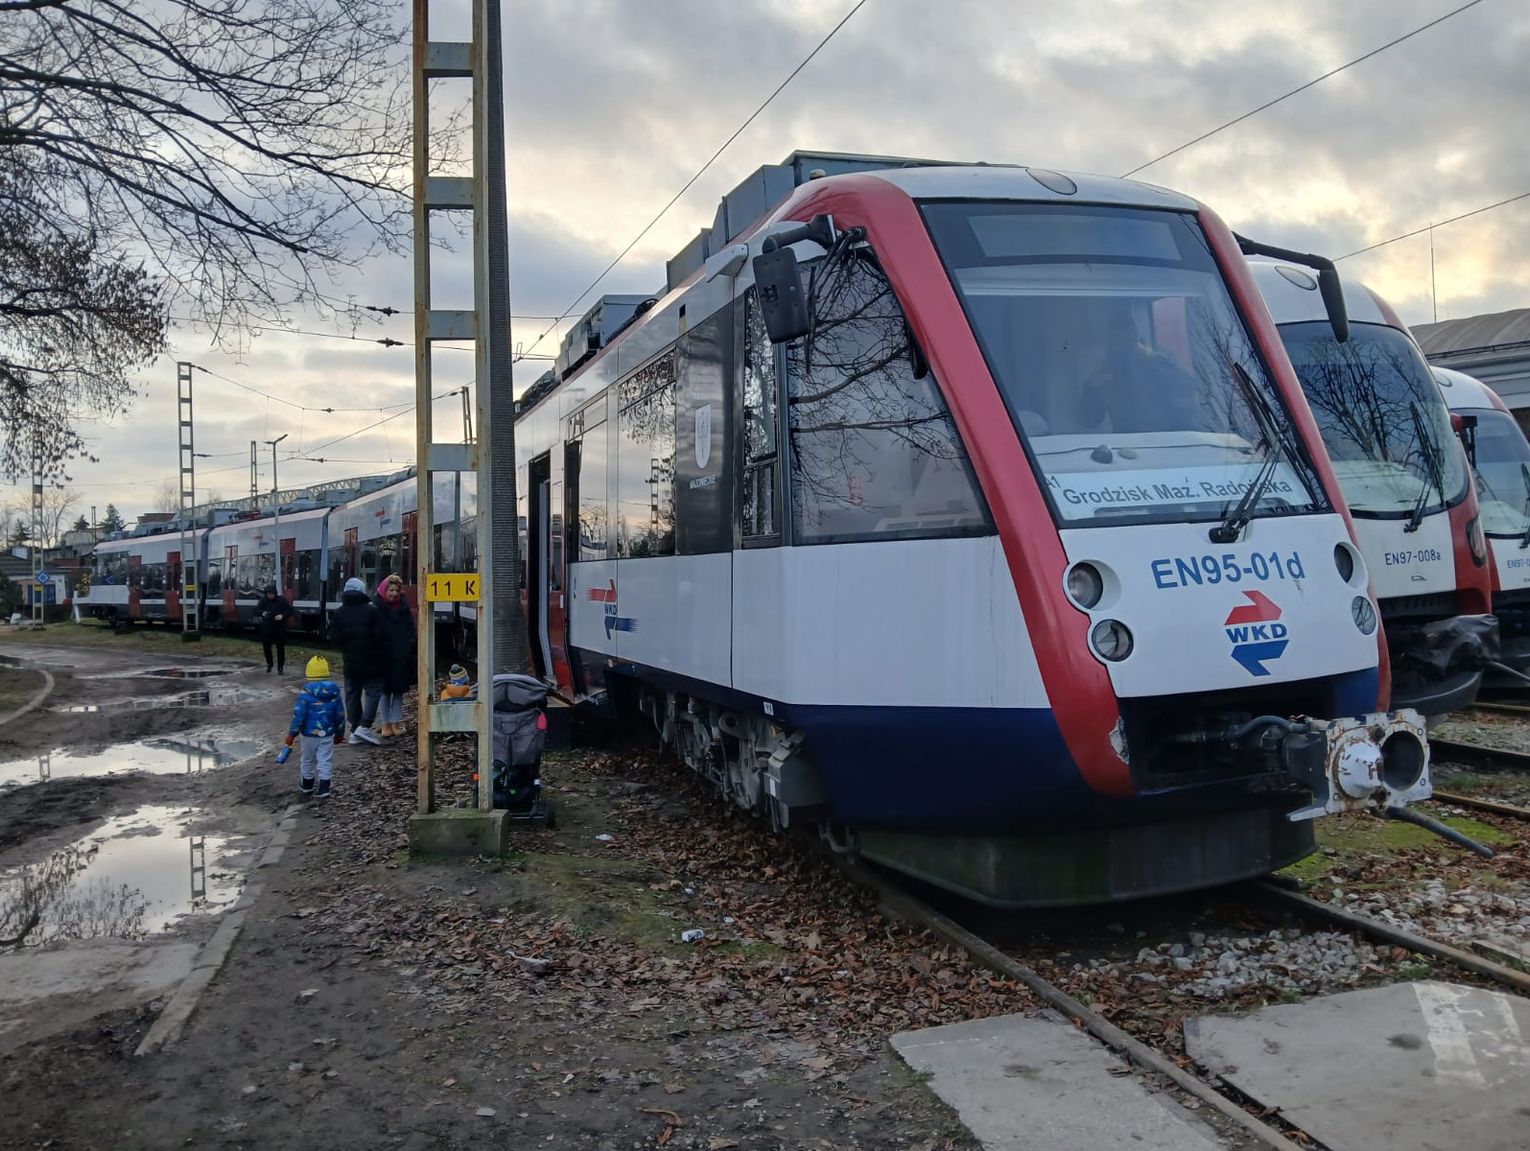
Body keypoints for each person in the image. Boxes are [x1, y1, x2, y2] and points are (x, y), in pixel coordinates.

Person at [328, 576, 384, 745]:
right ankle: (365, 726)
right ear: (362, 591)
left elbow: (334, 639)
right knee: (374, 691)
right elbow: (380, 636)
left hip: (350, 661)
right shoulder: (372, 610)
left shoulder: (338, 612)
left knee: (352, 694)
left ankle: (354, 729)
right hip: (371, 660)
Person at [285, 655, 345, 797]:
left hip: (308, 735)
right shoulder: (335, 693)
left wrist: (291, 734)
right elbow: (340, 715)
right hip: (327, 734)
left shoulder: (304, 694)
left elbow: (298, 716)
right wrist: (340, 733)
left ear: (308, 674)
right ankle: (324, 788)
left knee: (307, 759)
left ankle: (307, 785)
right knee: (325, 760)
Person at [373, 572, 416, 738]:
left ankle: (396, 722)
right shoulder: (376, 607)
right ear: (385, 590)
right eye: (391, 590)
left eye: (397, 590)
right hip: (382, 656)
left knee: (398, 691)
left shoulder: (404, 608)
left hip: (400, 656)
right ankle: (386, 724)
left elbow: (410, 628)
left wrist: (409, 644)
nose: (394, 594)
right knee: (385, 692)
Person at [255, 584, 293, 674]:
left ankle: (280, 667)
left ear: (275, 593)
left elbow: (290, 610)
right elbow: (256, 610)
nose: (270, 596)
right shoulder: (263, 600)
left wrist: (282, 615)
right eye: (268, 594)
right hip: (266, 627)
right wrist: (262, 613)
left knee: (280, 648)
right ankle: (269, 664)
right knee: (266, 647)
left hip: (279, 628)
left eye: (271, 594)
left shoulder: (282, 600)